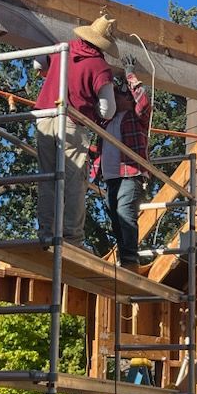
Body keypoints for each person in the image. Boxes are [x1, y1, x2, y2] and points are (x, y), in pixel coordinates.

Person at [34, 14, 118, 246]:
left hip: (43, 118)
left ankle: (45, 233)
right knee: (73, 182)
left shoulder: (63, 48)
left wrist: (51, 75)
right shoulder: (100, 66)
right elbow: (108, 110)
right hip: (72, 123)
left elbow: (38, 64)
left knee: (47, 177)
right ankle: (72, 238)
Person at [100, 67, 152, 269]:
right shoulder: (107, 119)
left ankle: (130, 260)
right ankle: (124, 259)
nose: (115, 98)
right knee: (115, 217)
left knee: (125, 213)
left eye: (119, 95)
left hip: (131, 174)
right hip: (111, 176)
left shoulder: (136, 118)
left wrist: (131, 76)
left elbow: (144, 104)